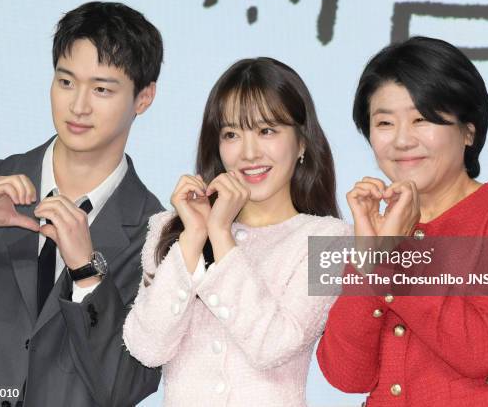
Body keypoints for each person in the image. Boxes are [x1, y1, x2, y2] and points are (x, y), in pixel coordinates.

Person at [316, 37, 488, 406]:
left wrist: (390, 256)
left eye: (421, 119)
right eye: (384, 122)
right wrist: (367, 255)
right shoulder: (377, 230)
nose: (401, 140)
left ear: (468, 130)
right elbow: (346, 376)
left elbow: (482, 348)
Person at [0, 2, 163, 406]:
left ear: (144, 98)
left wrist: (86, 272)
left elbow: (127, 386)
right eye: (66, 82)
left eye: (101, 89)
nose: (78, 106)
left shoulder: (157, 236)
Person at [123, 57, 349, 406]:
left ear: (302, 143)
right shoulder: (169, 228)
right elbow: (147, 347)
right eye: (231, 134)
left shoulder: (330, 240)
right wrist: (194, 237)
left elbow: (273, 345)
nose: (248, 153)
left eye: (267, 131)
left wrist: (222, 237)